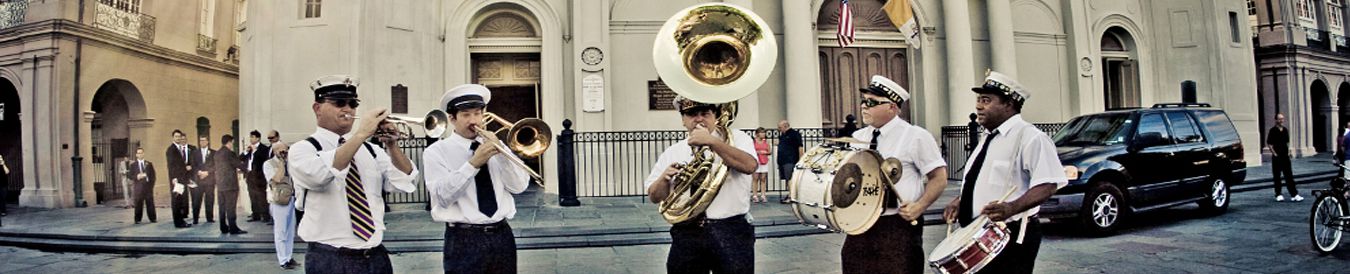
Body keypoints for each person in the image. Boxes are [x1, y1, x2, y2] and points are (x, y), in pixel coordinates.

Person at [942, 71, 1067, 274]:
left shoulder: (1031, 137)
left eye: (986, 100)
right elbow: (985, 181)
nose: (978, 106)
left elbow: (1048, 184)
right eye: (978, 100)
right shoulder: (988, 137)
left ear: (1008, 104)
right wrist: (960, 200)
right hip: (976, 234)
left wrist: (1012, 208)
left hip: (1009, 233)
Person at [290, 75, 417, 273]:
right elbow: (321, 175)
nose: (348, 109)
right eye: (339, 103)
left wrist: (392, 145)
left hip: (375, 256)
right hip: (329, 258)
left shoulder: (371, 150)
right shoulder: (303, 149)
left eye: (353, 103)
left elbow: (405, 180)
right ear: (317, 108)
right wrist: (361, 134)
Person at [843, 75, 948, 273]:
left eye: (871, 102)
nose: (864, 106)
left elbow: (939, 177)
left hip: (897, 225)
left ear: (892, 107)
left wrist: (919, 206)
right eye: (863, 101)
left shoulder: (915, 136)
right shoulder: (859, 137)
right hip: (861, 223)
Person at [645, 95, 759, 274]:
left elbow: (750, 165)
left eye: (705, 113)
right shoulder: (673, 151)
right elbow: (654, 196)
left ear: (715, 116)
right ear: (683, 120)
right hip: (688, 232)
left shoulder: (738, 138)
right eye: (691, 114)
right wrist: (663, 179)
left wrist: (712, 142)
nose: (699, 118)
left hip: (731, 229)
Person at [424, 84, 531, 273]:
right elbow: (442, 197)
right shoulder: (436, 152)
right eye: (466, 114)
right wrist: (473, 163)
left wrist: (501, 154)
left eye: (478, 113)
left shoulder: (497, 146)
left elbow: (519, 187)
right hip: (463, 239)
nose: (473, 120)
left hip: (502, 236)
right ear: (452, 118)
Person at [264, 142, 301, 270]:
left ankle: (289, 257)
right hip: (278, 200)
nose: (285, 152)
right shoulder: (268, 164)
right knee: (281, 231)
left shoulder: (289, 162)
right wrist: (280, 162)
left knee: (290, 231)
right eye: (283, 150)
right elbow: (277, 178)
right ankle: (282, 260)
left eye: (286, 150)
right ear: (276, 151)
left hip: (290, 198)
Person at [215, 134, 246, 235]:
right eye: (232, 142)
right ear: (229, 142)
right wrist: (247, 170)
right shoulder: (230, 153)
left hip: (220, 184)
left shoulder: (217, 153)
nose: (232, 144)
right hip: (230, 185)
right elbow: (237, 164)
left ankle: (223, 227)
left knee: (222, 207)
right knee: (231, 207)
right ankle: (233, 228)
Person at [1267, 113, 1302, 202]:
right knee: (1277, 176)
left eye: (1282, 119)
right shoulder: (1272, 130)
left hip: (1285, 156)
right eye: (1279, 119)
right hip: (1277, 157)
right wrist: (1274, 153)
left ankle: (1294, 194)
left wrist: (1289, 151)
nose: (1281, 121)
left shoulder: (1285, 130)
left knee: (1289, 176)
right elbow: (1269, 144)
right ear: (1276, 120)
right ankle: (1278, 194)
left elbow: (1287, 142)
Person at [165, 130, 196, 228]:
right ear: (172, 138)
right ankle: (178, 222)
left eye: (179, 136)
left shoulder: (178, 148)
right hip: (177, 180)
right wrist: (174, 178)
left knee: (180, 200)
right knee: (176, 200)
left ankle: (181, 221)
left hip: (182, 179)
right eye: (176, 136)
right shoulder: (171, 149)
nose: (178, 138)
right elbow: (171, 166)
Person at [242, 130, 272, 223]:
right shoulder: (249, 148)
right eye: (250, 137)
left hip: (259, 176)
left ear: (257, 138)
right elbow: (241, 158)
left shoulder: (263, 148)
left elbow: (264, 159)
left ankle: (265, 215)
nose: (251, 139)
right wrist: (246, 151)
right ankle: (255, 215)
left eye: (252, 137)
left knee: (261, 196)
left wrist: (255, 151)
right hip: (250, 175)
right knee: (252, 195)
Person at [777, 120, 804, 204]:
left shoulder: (794, 134)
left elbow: (800, 147)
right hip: (783, 160)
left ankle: (792, 196)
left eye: (780, 127)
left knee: (790, 178)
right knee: (787, 178)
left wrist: (801, 159)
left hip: (791, 159)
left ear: (785, 126)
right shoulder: (783, 135)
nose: (778, 129)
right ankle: (790, 194)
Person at [127, 147, 157, 224]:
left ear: (144, 154)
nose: (140, 154)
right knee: (138, 203)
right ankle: (137, 219)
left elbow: (153, 176)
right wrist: (137, 177)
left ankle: (152, 218)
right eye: (138, 153)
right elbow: (130, 175)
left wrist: (151, 185)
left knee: (150, 203)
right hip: (138, 187)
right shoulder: (133, 165)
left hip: (147, 187)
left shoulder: (149, 164)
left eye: (141, 153)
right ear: (136, 155)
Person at [191, 136, 216, 224]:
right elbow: (193, 165)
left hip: (209, 180)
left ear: (208, 141)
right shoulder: (195, 153)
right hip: (199, 180)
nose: (202, 142)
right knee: (197, 200)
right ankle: (195, 218)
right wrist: (199, 172)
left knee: (209, 199)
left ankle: (209, 218)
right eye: (200, 140)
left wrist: (207, 172)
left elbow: (215, 165)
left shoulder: (213, 153)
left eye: (204, 140)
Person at [752, 128, 770, 203]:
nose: (763, 134)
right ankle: (755, 195)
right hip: (756, 161)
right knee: (755, 178)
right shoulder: (753, 142)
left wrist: (764, 152)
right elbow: (751, 150)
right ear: (757, 134)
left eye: (764, 133)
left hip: (764, 161)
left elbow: (769, 151)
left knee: (763, 178)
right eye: (762, 133)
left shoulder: (766, 142)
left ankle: (763, 195)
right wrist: (758, 152)